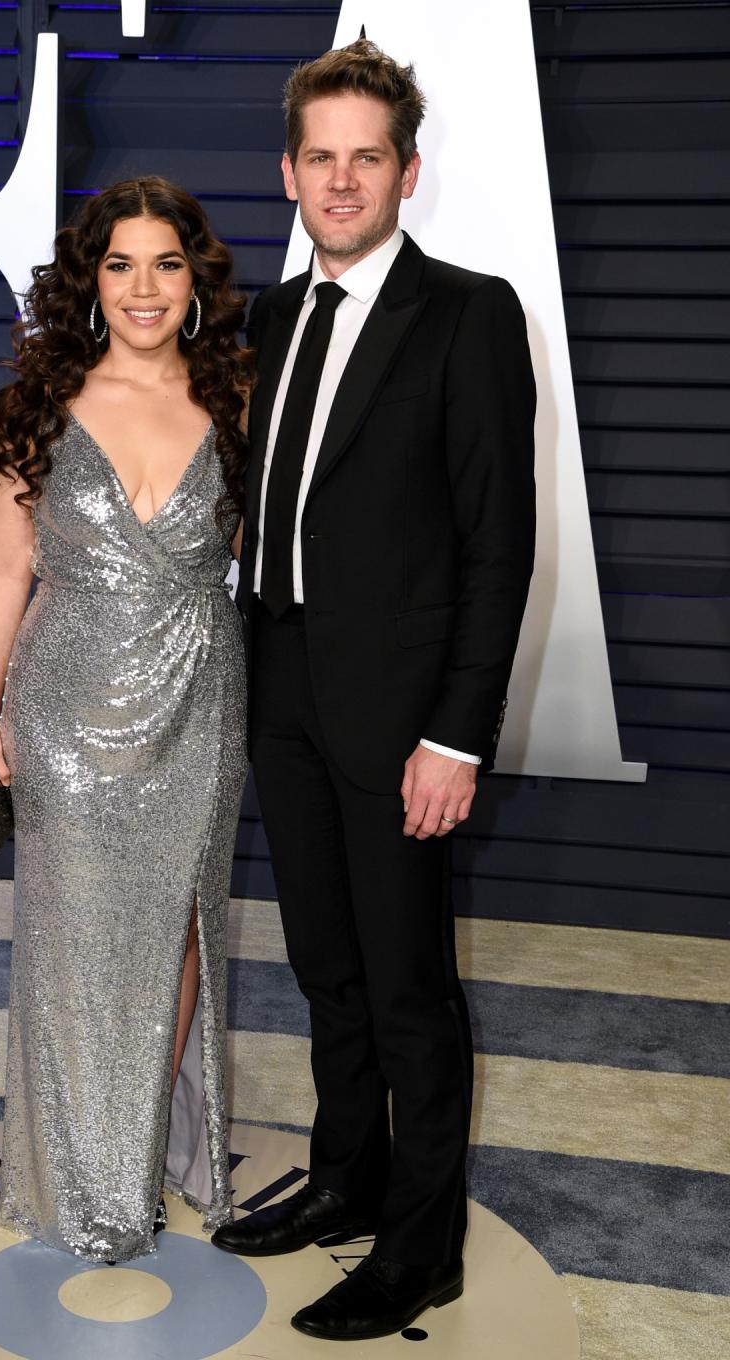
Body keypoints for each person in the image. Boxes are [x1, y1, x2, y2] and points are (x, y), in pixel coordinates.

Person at [210, 39, 537, 1341]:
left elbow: (497, 544)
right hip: (278, 686)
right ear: (291, 171)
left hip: (404, 717)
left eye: (368, 158)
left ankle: (422, 1247)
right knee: (325, 968)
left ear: (408, 170)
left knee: (407, 988)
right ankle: (344, 1179)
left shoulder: (470, 313)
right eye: (321, 158)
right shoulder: (273, 317)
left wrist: (457, 731)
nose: (342, 181)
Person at [0, 176, 252, 1262]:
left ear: (194, 280)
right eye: (120, 264)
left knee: (177, 922)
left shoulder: (239, 399)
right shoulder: (43, 400)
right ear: (90, 281)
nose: (144, 287)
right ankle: (81, 1165)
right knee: (74, 931)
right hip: (65, 699)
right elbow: (2, 566)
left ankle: (134, 1147)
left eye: (166, 263)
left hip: (196, 696)